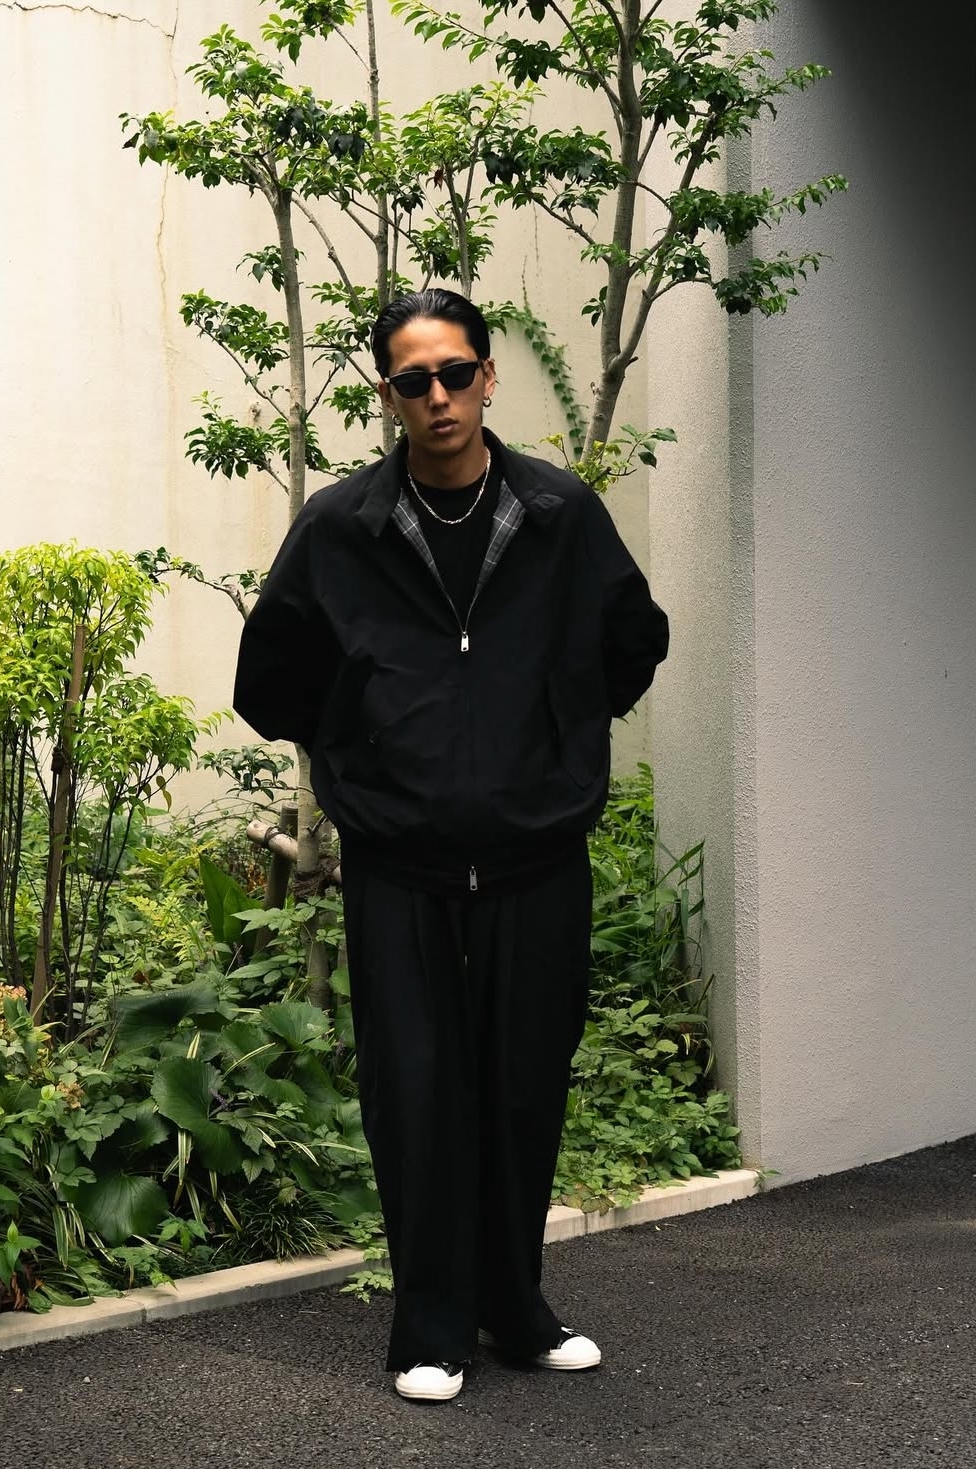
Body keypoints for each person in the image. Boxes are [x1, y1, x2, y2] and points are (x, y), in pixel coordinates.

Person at [233, 288, 669, 1403]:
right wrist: (367, 741)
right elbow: (269, 677)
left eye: (456, 372)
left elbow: (632, 639)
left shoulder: (558, 513)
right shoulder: (341, 527)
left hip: (536, 854)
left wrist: (554, 734)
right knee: (417, 1092)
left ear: (487, 377)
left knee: (523, 1087)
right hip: (401, 864)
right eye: (413, 379)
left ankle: (515, 1308)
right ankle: (430, 1325)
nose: (438, 396)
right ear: (386, 394)